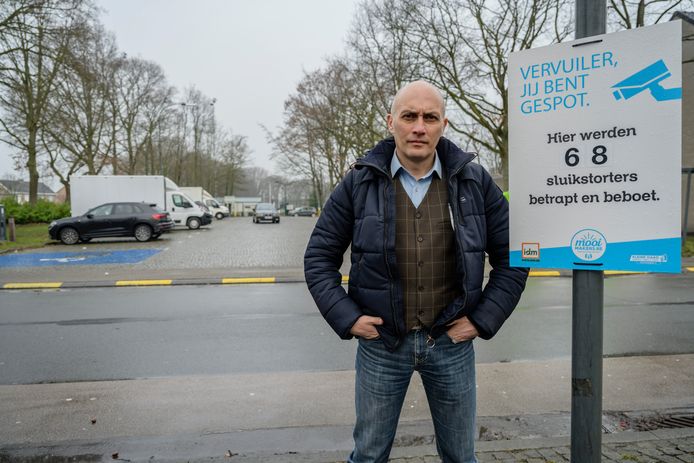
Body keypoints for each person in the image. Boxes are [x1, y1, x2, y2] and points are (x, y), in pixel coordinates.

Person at [304, 80, 528, 463]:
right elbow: (318, 259)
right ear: (392, 122)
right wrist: (348, 318)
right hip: (382, 346)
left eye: (430, 117)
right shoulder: (359, 181)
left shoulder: (475, 183)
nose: (419, 127)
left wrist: (481, 320)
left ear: (444, 124)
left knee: (461, 456)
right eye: (409, 116)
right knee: (369, 455)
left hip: (451, 344)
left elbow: (514, 258)